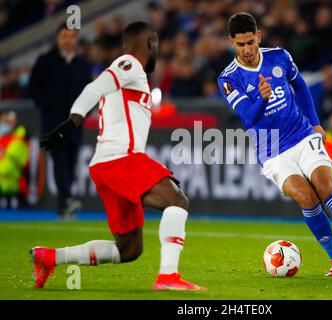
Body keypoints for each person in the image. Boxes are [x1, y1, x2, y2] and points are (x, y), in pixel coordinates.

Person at [30, 21, 205, 291]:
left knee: (129, 249)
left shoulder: (133, 77)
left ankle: (52, 257)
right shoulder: (129, 63)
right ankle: (168, 277)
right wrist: (70, 123)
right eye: (155, 44)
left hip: (106, 165)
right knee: (177, 200)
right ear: (150, 43)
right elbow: (94, 88)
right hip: (120, 159)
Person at [217, 12, 332, 278]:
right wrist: (262, 97)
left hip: (302, 134)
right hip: (271, 150)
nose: (247, 50)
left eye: (250, 42)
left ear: (258, 36)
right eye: (240, 44)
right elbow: (249, 116)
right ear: (231, 43)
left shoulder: (279, 56)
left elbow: (300, 86)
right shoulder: (228, 78)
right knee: (306, 197)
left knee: (327, 187)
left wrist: (315, 122)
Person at [29, 23, 92, 219]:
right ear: (58, 38)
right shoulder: (45, 61)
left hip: (75, 124)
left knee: (71, 163)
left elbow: (91, 92)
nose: (68, 40)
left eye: (72, 36)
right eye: (64, 36)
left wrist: (84, 114)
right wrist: (47, 108)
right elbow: (34, 88)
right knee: (59, 160)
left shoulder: (83, 64)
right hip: (53, 123)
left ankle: (63, 205)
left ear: (76, 40)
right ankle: (67, 199)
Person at [0, 111, 29, 209]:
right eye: (4, 121)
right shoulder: (4, 138)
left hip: (13, 183)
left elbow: (10, 164)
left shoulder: (19, 139)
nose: (6, 124)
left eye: (9, 121)